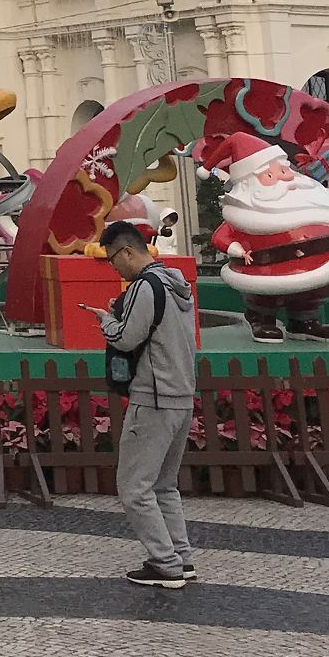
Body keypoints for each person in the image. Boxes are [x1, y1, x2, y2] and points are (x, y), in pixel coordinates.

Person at [99, 217, 199, 590]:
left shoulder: (145, 286)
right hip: (182, 396)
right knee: (163, 485)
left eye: (112, 259)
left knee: (133, 487)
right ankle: (182, 559)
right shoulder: (176, 284)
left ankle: (165, 564)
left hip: (154, 398)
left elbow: (127, 338)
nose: (114, 267)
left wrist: (106, 321)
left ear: (127, 251)